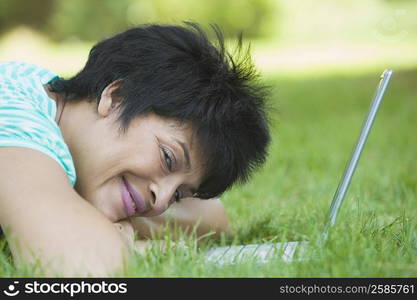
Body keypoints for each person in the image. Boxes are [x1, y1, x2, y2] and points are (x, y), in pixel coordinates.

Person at [0, 22, 271, 276]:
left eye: (178, 194)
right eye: (168, 158)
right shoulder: (13, 117)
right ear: (115, 98)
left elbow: (212, 218)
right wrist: (142, 249)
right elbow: (75, 267)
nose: (161, 200)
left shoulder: (52, 98)